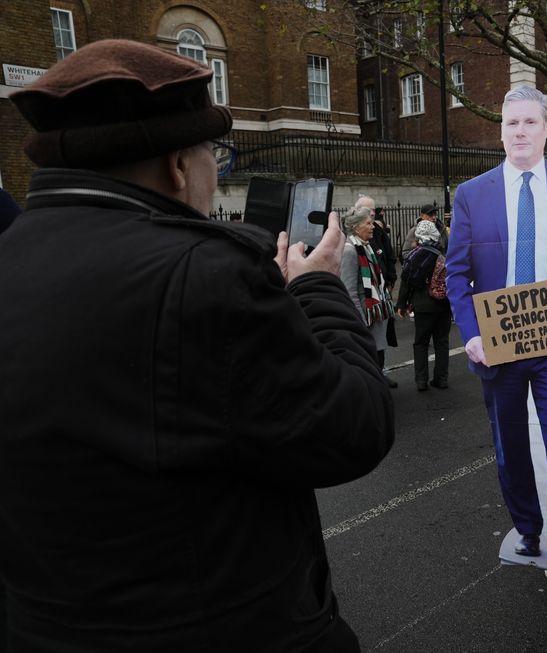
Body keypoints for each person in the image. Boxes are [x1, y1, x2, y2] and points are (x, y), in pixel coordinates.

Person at [0, 39, 394, 652]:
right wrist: (316, 288)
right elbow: (354, 426)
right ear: (180, 166)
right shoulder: (207, 277)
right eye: (217, 154)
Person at [446, 85, 547, 583]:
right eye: (511, 123)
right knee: (511, 444)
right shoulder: (472, 194)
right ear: (501, 131)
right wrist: (471, 334)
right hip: (498, 341)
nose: (520, 131)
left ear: (546, 129)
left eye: (529, 123)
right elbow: (456, 275)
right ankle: (528, 526)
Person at [341, 206, 398, 384]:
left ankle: (379, 380)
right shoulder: (350, 250)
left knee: (378, 353)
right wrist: (360, 323)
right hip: (366, 316)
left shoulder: (366, 246)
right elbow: (349, 291)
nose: (373, 226)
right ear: (356, 227)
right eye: (368, 223)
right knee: (370, 357)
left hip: (376, 311)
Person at [396, 220, 452, 391]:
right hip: (443, 305)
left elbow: (406, 283)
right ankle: (441, 379)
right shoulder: (443, 254)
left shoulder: (414, 256)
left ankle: (421, 380)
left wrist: (402, 304)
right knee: (442, 342)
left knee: (420, 343)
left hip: (422, 306)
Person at [355, 195, 399, 387]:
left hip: (381, 295)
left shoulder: (379, 233)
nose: (373, 216)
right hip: (368, 301)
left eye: (373, 211)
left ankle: (380, 373)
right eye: (368, 212)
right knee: (370, 343)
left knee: (381, 341)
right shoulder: (351, 246)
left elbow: (390, 258)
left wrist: (390, 281)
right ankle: (372, 378)